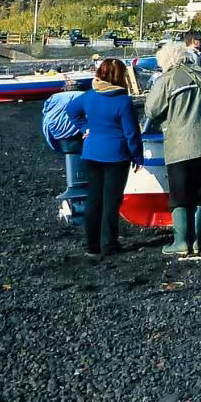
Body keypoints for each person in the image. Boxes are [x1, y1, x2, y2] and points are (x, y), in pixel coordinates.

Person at [142, 38, 201, 255]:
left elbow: (151, 111)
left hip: (180, 146)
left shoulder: (167, 80)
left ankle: (181, 243)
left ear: (165, 60)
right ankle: (197, 242)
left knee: (180, 195)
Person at [77, 58, 144, 257]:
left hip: (91, 153)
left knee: (94, 200)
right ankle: (109, 244)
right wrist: (138, 157)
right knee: (111, 201)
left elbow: (72, 111)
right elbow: (131, 133)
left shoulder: (89, 96)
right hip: (116, 155)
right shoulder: (123, 101)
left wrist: (84, 128)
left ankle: (92, 245)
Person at [40, 77, 91, 223]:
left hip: (56, 133)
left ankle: (77, 194)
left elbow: (46, 111)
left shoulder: (54, 98)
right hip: (77, 135)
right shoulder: (83, 96)